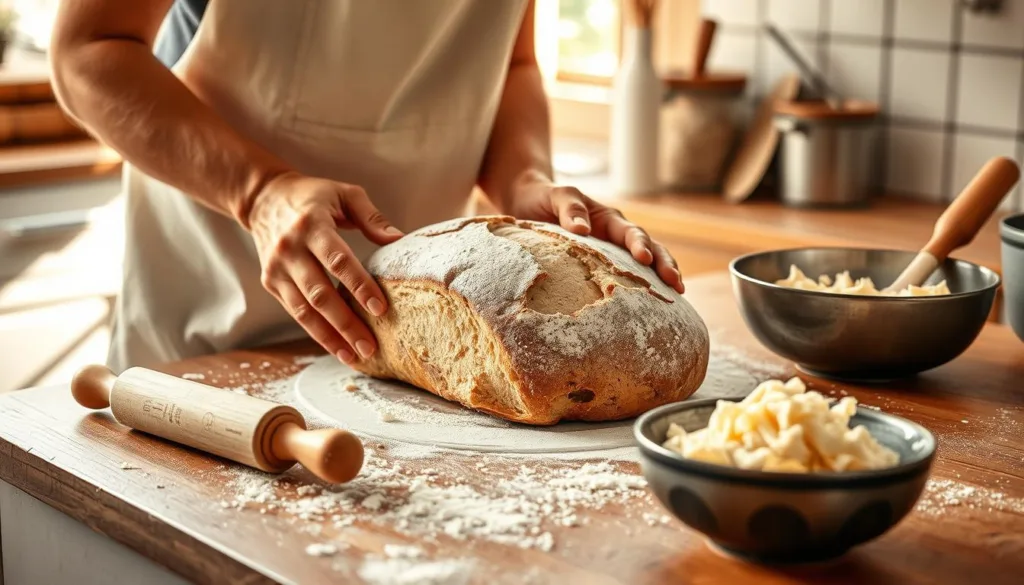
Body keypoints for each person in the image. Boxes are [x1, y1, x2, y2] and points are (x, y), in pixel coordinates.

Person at [49, 0, 685, 373]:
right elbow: (87, 52)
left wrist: (522, 180)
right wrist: (260, 191)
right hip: (204, 344)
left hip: (424, 360)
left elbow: (509, 61)